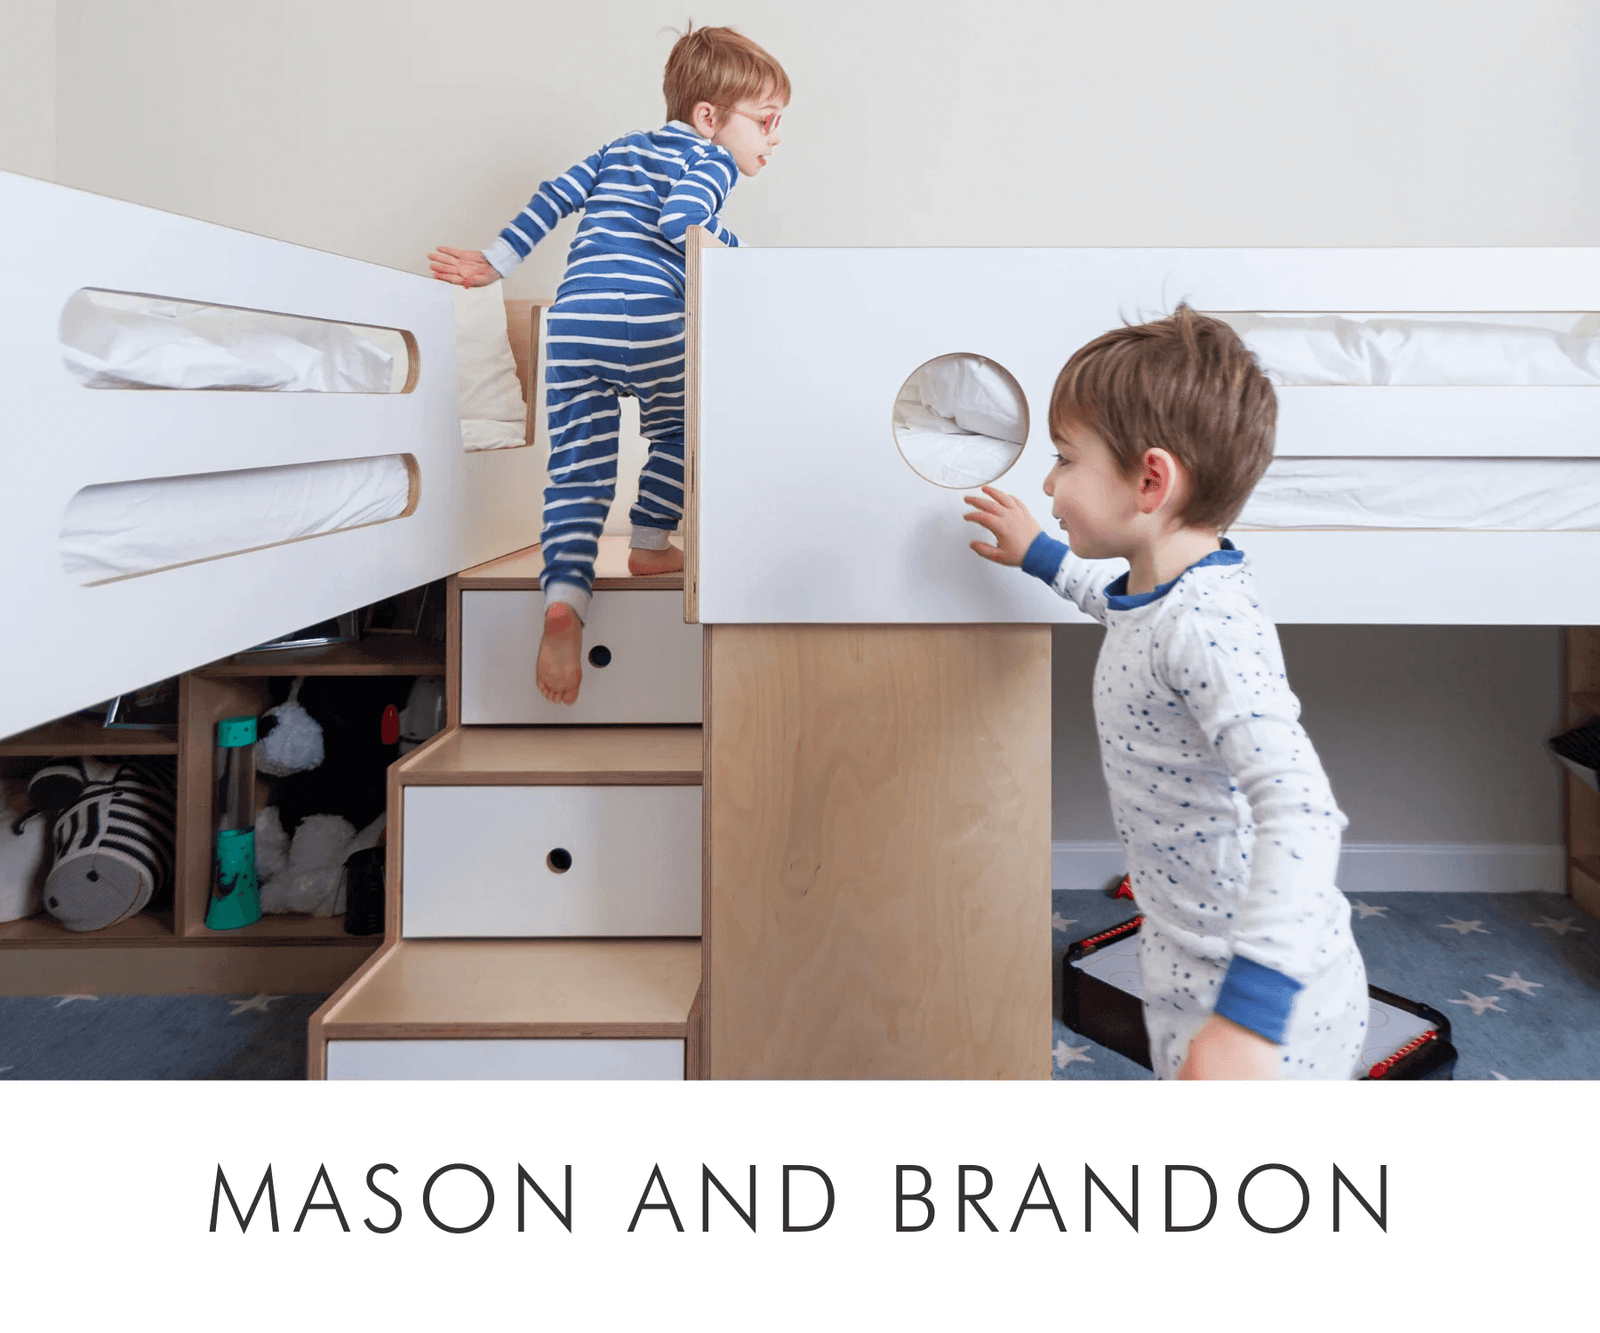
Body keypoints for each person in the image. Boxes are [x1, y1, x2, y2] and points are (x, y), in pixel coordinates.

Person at [964, 306, 1368, 1079]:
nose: (1048, 481)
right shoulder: (1164, 588)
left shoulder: (1207, 624)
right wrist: (1041, 554)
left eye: (1064, 459)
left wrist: (1248, 1019)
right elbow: (1117, 606)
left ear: (1150, 478)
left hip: (1257, 995)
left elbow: (1302, 808)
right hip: (1186, 956)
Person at [429, 24, 789, 704]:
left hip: (574, 326)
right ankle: (651, 540)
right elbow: (681, 220)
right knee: (682, 429)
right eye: (767, 122)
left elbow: (554, 197)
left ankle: (564, 600)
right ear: (710, 119)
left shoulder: (616, 151)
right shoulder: (709, 161)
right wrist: (742, 260)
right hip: (655, 326)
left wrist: (495, 262)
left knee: (578, 470)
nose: (774, 139)